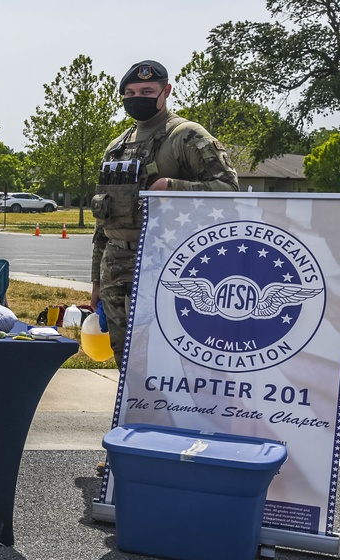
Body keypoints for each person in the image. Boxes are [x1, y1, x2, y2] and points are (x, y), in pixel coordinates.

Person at [90, 59, 239, 367]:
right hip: (116, 267)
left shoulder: (186, 136)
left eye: (147, 90)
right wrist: (96, 281)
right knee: (126, 358)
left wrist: (173, 185)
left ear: (166, 91)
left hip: (169, 264)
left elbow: (229, 188)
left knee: (168, 356)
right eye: (130, 92)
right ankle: (134, 414)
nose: (137, 98)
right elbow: (103, 220)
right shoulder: (116, 146)